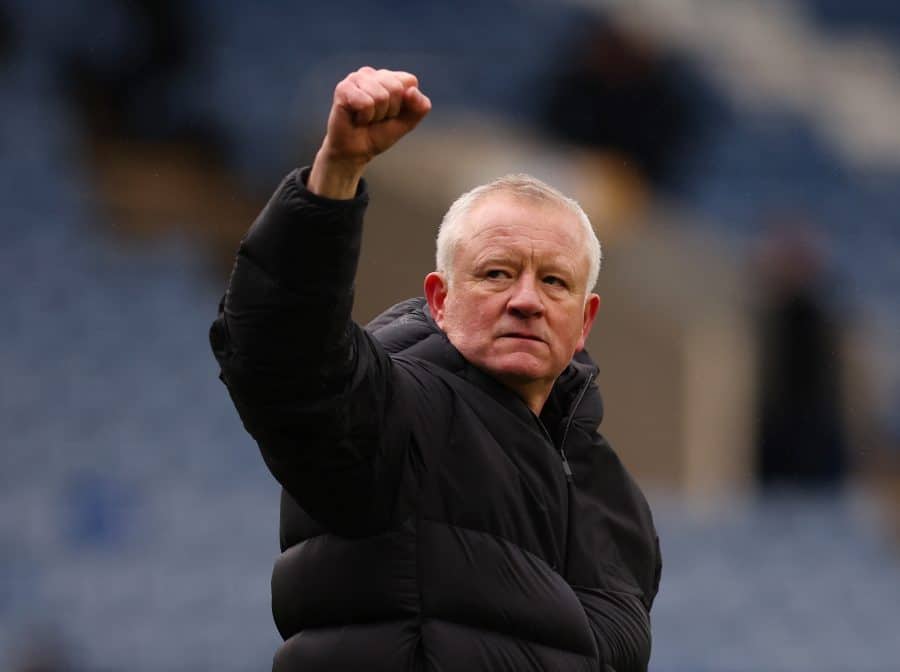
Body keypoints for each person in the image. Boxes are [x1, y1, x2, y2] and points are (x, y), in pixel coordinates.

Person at [210, 67, 661, 671]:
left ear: (585, 321)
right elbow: (283, 361)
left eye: (554, 282)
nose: (526, 299)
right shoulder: (399, 413)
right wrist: (335, 175)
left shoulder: (610, 492)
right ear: (441, 299)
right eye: (497, 273)